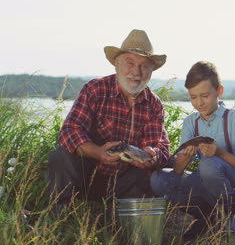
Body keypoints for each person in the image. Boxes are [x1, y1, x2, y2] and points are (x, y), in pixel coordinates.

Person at [47, 29, 170, 220]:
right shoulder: (95, 89)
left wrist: (153, 156)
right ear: (117, 64)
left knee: (147, 176)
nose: (136, 72)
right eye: (130, 63)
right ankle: (60, 221)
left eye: (144, 66)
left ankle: (119, 228)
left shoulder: (154, 104)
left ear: (151, 71)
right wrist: (98, 152)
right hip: (87, 176)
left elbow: (160, 147)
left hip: (125, 182)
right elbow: (69, 131)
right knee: (60, 156)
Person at [151, 61, 235, 240]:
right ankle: (205, 216)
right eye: (193, 97)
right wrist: (185, 156)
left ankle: (226, 217)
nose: (199, 102)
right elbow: (179, 170)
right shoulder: (191, 122)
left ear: (219, 91)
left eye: (205, 96)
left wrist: (219, 152)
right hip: (207, 181)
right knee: (159, 179)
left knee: (208, 164)